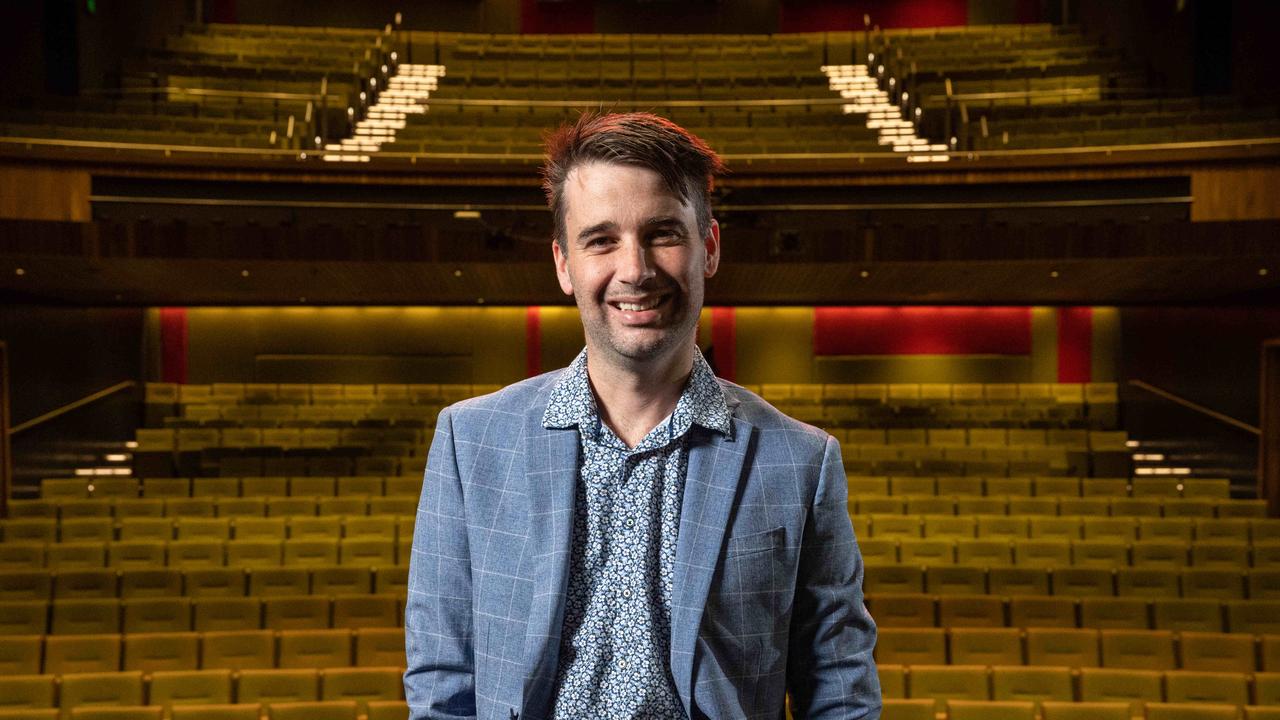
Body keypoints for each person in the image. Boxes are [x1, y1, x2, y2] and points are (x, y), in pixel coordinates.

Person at [404, 112, 880, 720]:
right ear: (563, 264)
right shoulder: (470, 443)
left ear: (708, 247)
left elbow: (839, 690)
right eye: (601, 239)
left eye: (662, 233)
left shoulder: (802, 462)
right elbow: (443, 682)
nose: (635, 269)